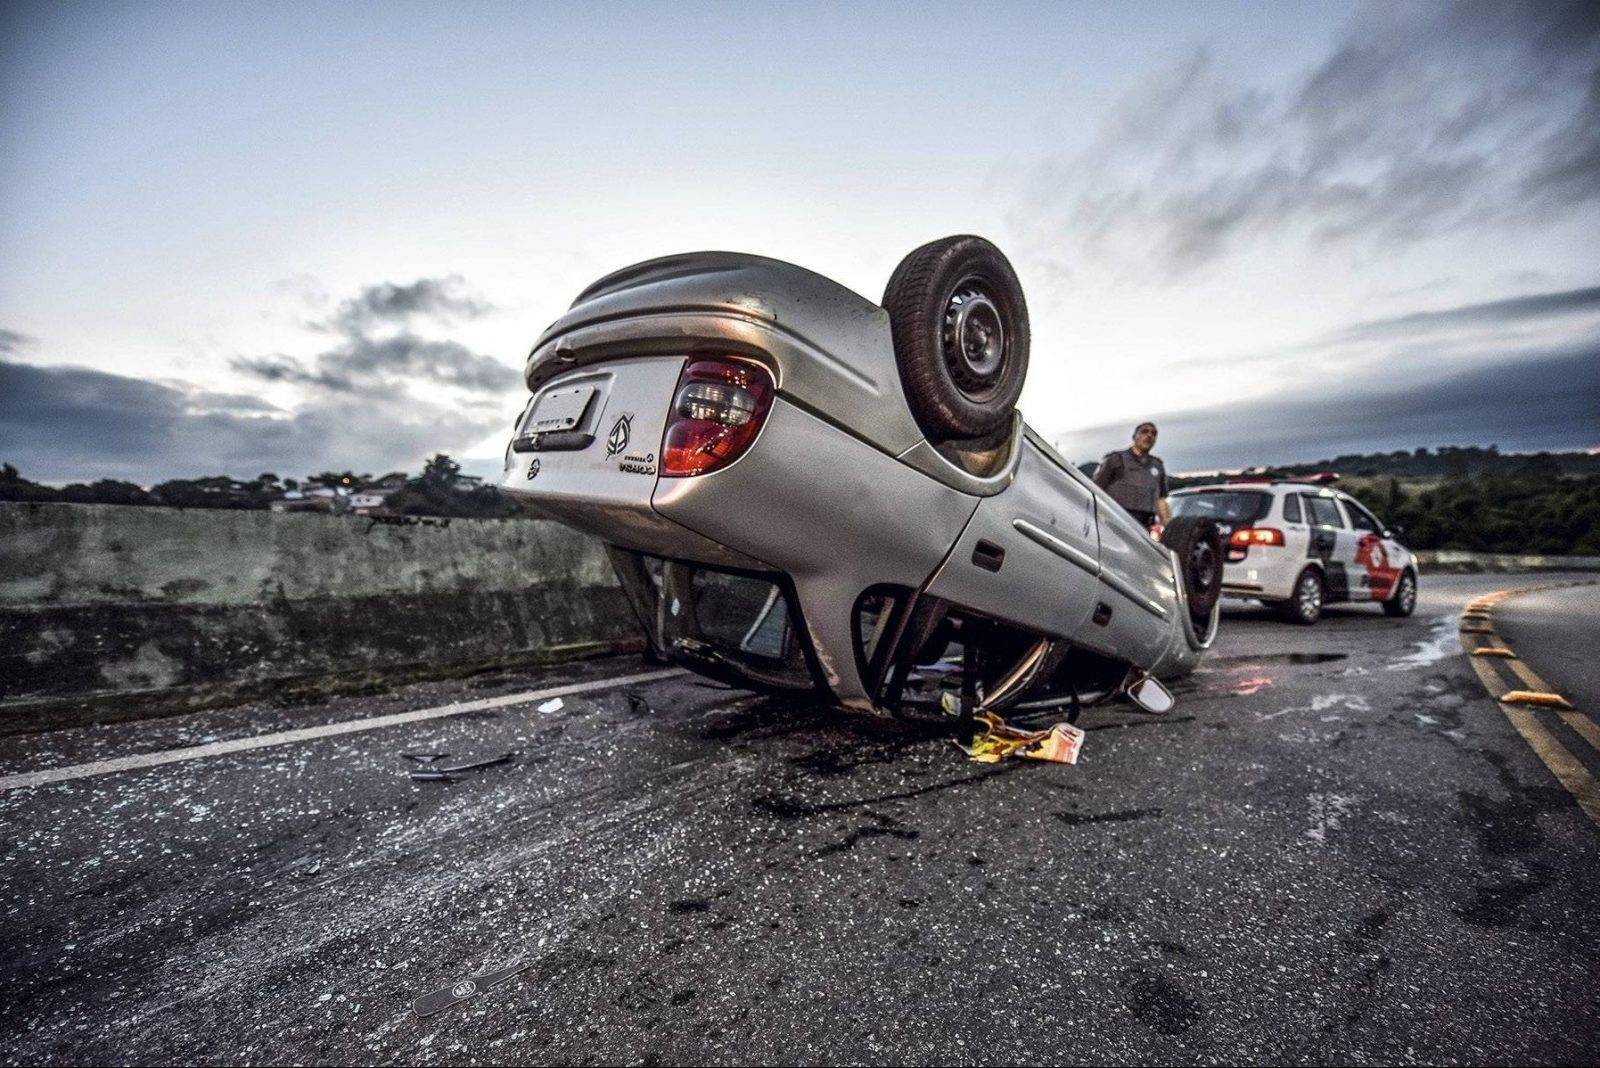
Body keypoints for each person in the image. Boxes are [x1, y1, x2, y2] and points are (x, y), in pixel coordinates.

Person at [1093, 421, 1170, 532]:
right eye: (1144, 432)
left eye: (1154, 434)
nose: (1149, 435)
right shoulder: (1116, 459)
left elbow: (1161, 500)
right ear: (1134, 437)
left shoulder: (1157, 465)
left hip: (1146, 526)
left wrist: (1168, 526)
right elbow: (1096, 490)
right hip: (1117, 523)